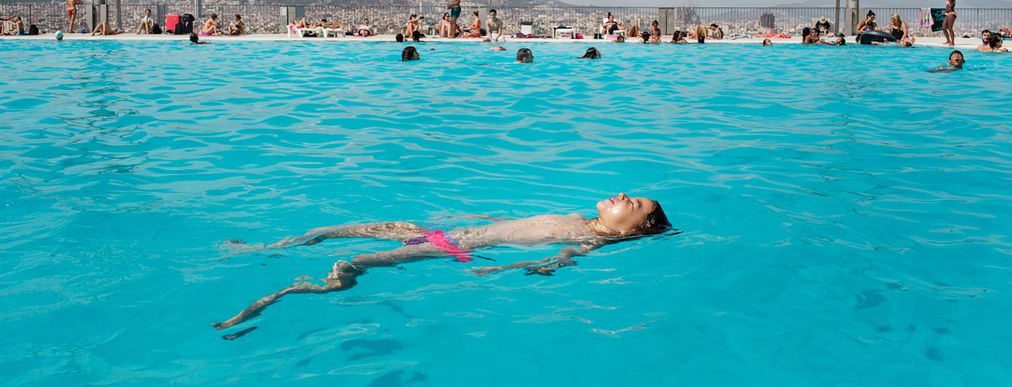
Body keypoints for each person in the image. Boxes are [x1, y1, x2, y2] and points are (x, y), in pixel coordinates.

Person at [212, 192, 670, 332]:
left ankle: (289, 292)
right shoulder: (574, 216)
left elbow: (559, 259)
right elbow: (511, 220)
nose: (625, 196)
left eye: (636, 205)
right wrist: (471, 216)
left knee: (352, 262)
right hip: (440, 230)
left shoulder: (589, 241)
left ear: (636, 229)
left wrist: (504, 269)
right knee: (331, 229)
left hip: (448, 247)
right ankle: (264, 249)